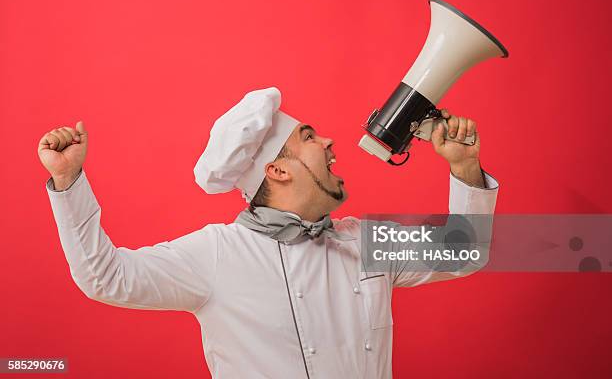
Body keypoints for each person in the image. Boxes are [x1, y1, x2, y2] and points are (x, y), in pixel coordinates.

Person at [38, 87, 498, 378]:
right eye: (310, 137)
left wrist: (464, 167)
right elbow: (105, 277)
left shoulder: (362, 241)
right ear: (277, 169)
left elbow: (465, 253)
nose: (329, 143)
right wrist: (68, 181)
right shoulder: (217, 254)